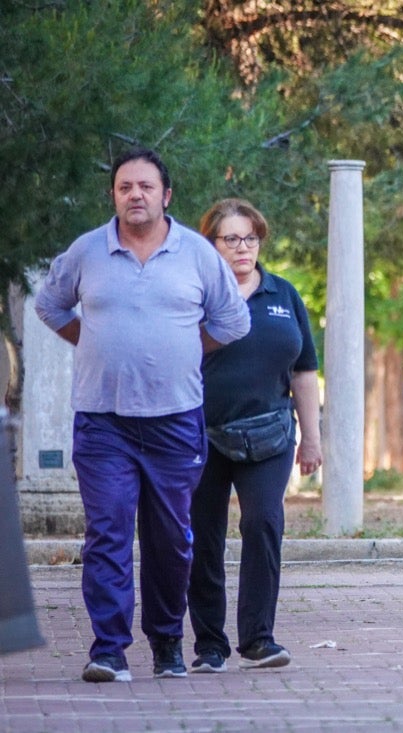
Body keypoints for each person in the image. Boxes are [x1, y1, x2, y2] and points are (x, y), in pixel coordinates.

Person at [34, 148, 251, 682]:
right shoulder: (87, 251)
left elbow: (233, 320)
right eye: (125, 186)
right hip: (102, 420)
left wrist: (183, 350)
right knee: (107, 534)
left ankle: (167, 642)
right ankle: (108, 648)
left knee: (170, 538)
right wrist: (91, 341)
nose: (135, 194)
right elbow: (49, 305)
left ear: (166, 195)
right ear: (114, 195)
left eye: (146, 187)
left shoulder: (198, 254)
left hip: (175, 419)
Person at [187, 199, 322, 674]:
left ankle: (259, 639)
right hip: (199, 436)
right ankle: (209, 645)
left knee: (263, 524)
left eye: (250, 238)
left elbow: (304, 371)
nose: (242, 248)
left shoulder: (284, 296)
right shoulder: (194, 296)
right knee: (203, 537)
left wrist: (312, 438)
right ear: (211, 244)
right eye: (231, 239)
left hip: (269, 435)